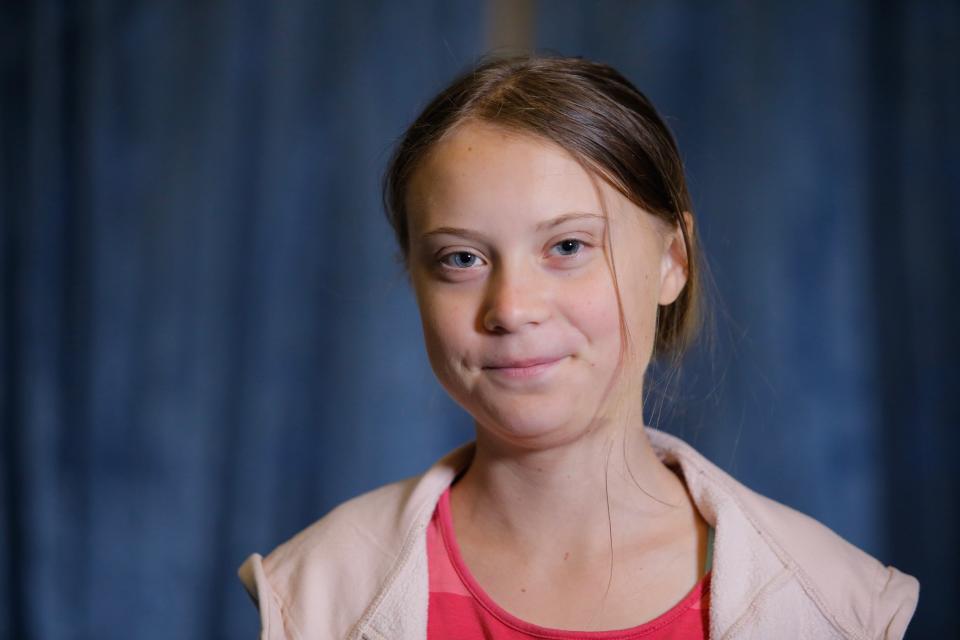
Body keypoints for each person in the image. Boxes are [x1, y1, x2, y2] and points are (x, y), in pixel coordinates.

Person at [238, 54, 918, 639]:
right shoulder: (313, 598)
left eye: (567, 246)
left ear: (671, 261)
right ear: (413, 276)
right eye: (462, 258)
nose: (510, 308)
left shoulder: (838, 605)